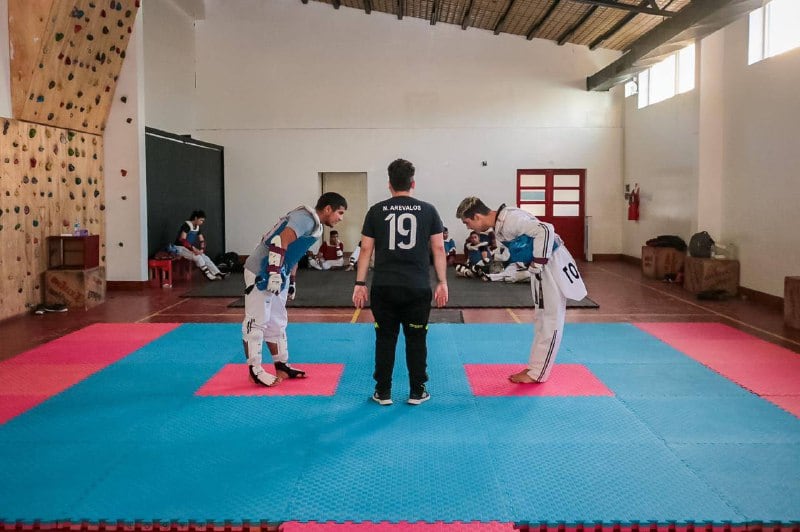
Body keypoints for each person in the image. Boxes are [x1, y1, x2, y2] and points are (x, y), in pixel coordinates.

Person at [456, 197, 587, 383]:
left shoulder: (510, 219)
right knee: (542, 318)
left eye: (467, 222)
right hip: (543, 267)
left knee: (550, 319)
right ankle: (535, 369)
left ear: (477, 216)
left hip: (551, 265)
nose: (469, 228)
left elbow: (546, 229)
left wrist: (538, 261)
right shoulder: (503, 222)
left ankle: (538, 374)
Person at [352, 158, 448, 406]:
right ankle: (417, 391)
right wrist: (442, 282)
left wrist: (360, 283)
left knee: (385, 339)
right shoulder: (428, 210)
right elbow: (438, 248)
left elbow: (365, 250)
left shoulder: (376, 211)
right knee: (417, 339)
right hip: (417, 287)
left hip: (384, 286)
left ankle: (383, 392)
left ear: (389, 185)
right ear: (412, 183)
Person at [242, 192, 348, 387]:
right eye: (339, 213)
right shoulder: (305, 218)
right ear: (328, 209)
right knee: (257, 321)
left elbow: (293, 253)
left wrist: (291, 281)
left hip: (278, 270)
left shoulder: (314, 225)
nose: (340, 218)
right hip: (261, 270)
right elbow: (279, 241)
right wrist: (273, 273)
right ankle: (254, 370)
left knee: (277, 321)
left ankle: (281, 364)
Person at [173, 210, 226, 281]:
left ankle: (217, 273)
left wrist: (201, 250)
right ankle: (208, 275)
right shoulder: (186, 225)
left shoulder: (197, 227)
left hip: (188, 248)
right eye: (201, 220)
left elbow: (202, 240)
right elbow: (182, 240)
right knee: (197, 257)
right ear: (195, 218)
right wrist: (193, 249)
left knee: (205, 257)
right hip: (179, 248)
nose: (202, 222)